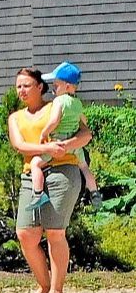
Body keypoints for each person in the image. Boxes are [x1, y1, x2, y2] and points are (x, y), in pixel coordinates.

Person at [8, 66, 92, 293]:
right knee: (26, 234)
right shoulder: (16, 117)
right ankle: (44, 286)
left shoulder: (58, 104)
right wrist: (47, 148)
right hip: (31, 175)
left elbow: (85, 134)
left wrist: (64, 146)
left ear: (40, 87)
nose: (21, 90)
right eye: (18, 86)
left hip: (62, 172)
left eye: (26, 85)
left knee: (55, 232)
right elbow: (20, 145)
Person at [29, 61, 100, 208]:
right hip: (74, 145)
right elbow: (84, 121)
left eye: (56, 85)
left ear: (67, 86)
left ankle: (38, 194)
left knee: (35, 164)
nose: (53, 88)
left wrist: (44, 133)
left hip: (58, 142)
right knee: (84, 168)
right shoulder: (77, 103)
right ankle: (94, 192)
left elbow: (54, 121)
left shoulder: (59, 101)